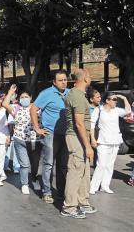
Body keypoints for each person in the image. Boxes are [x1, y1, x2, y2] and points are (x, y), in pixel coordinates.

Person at [61, 69, 97, 219]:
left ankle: (83, 202)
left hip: (81, 137)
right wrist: (88, 146)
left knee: (84, 171)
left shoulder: (79, 95)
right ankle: (69, 207)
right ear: (85, 79)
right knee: (76, 171)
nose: (91, 78)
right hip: (76, 137)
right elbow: (79, 123)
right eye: (89, 76)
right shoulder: (76, 95)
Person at [30, 70, 70, 204]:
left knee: (63, 165)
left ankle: (61, 191)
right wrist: (37, 128)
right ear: (54, 82)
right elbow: (33, 108)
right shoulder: (46, 93)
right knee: (48, 164)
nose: (64, 82)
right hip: (50, 133)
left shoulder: (69, 93)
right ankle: (46, 191)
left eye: (65, 79)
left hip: (66, 134)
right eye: (60, 80)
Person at [3, 84, 41, 195]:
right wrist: (11, 91)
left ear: (31, 97)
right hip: (20, 140)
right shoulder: (16, 108)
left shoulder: (37, 108)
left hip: (35, 141)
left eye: (26, 97)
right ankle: (24, 184)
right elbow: (5, 104)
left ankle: (34, 177)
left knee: (35, 164)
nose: (24, 99)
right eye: (22, 97)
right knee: (24, 164)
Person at [89, 93, 131, 194]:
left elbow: (128, 111)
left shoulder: (116, 110)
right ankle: (93, 187)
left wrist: (124, 98)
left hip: (115, 142)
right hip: (103, 142)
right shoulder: (98, 110)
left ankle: (105, 186)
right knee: (101, 165)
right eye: (114, 99)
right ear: (107, 100)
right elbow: (91, 125)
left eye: (116, 99)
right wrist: (93, 139)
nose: (116, 101)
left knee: (110, 165)